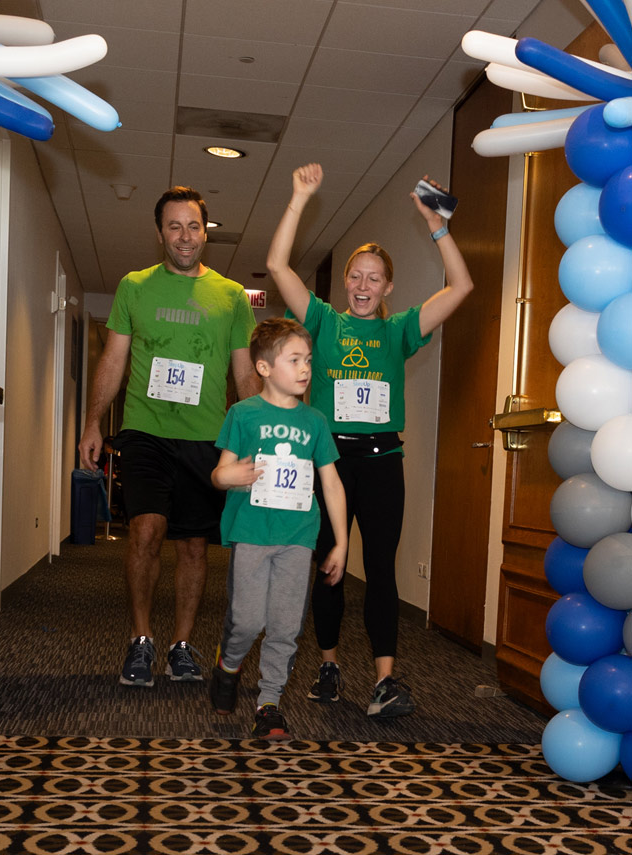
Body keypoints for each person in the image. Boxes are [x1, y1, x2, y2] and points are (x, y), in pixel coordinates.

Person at [266, 163, 474, 719]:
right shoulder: (324, 323)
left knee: (381, 567)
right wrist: (299, 197)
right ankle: (329, 666)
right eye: (355, 276)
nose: (362, 285)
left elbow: (462, 286)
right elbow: (276, 265)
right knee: (331, 565)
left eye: (373, 278)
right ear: (346, 283)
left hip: (383, 460)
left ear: (387, 287)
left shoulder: (399, 329)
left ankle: (384, 681)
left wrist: (437, 225)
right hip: (329, 461)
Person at [78, 185, 259, 688]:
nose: (185, 236)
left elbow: (245, 375)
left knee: (196, 546)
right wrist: (94, 422)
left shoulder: (230, 297)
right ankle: (141, 639)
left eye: (194, 226)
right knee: (146, 529)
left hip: (205, 438)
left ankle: (181, 644)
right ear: (160, 233)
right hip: (145, 430)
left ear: (206, 232)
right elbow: (113, 360)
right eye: (174, 226)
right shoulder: (135, 286)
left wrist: (259, 435)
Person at [209, 317, 348, 739]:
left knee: (287, 626)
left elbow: (331, 482)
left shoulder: (316, 422)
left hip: (297, 538)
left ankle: (268, 704)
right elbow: (219, 473)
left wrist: (340, 542)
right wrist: (228, 476)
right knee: (248, 621)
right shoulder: (242, 414)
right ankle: (228, 664)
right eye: (294, 360)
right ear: (265, 368)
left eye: (307, 359)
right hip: (251, 533)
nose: (305, 368)